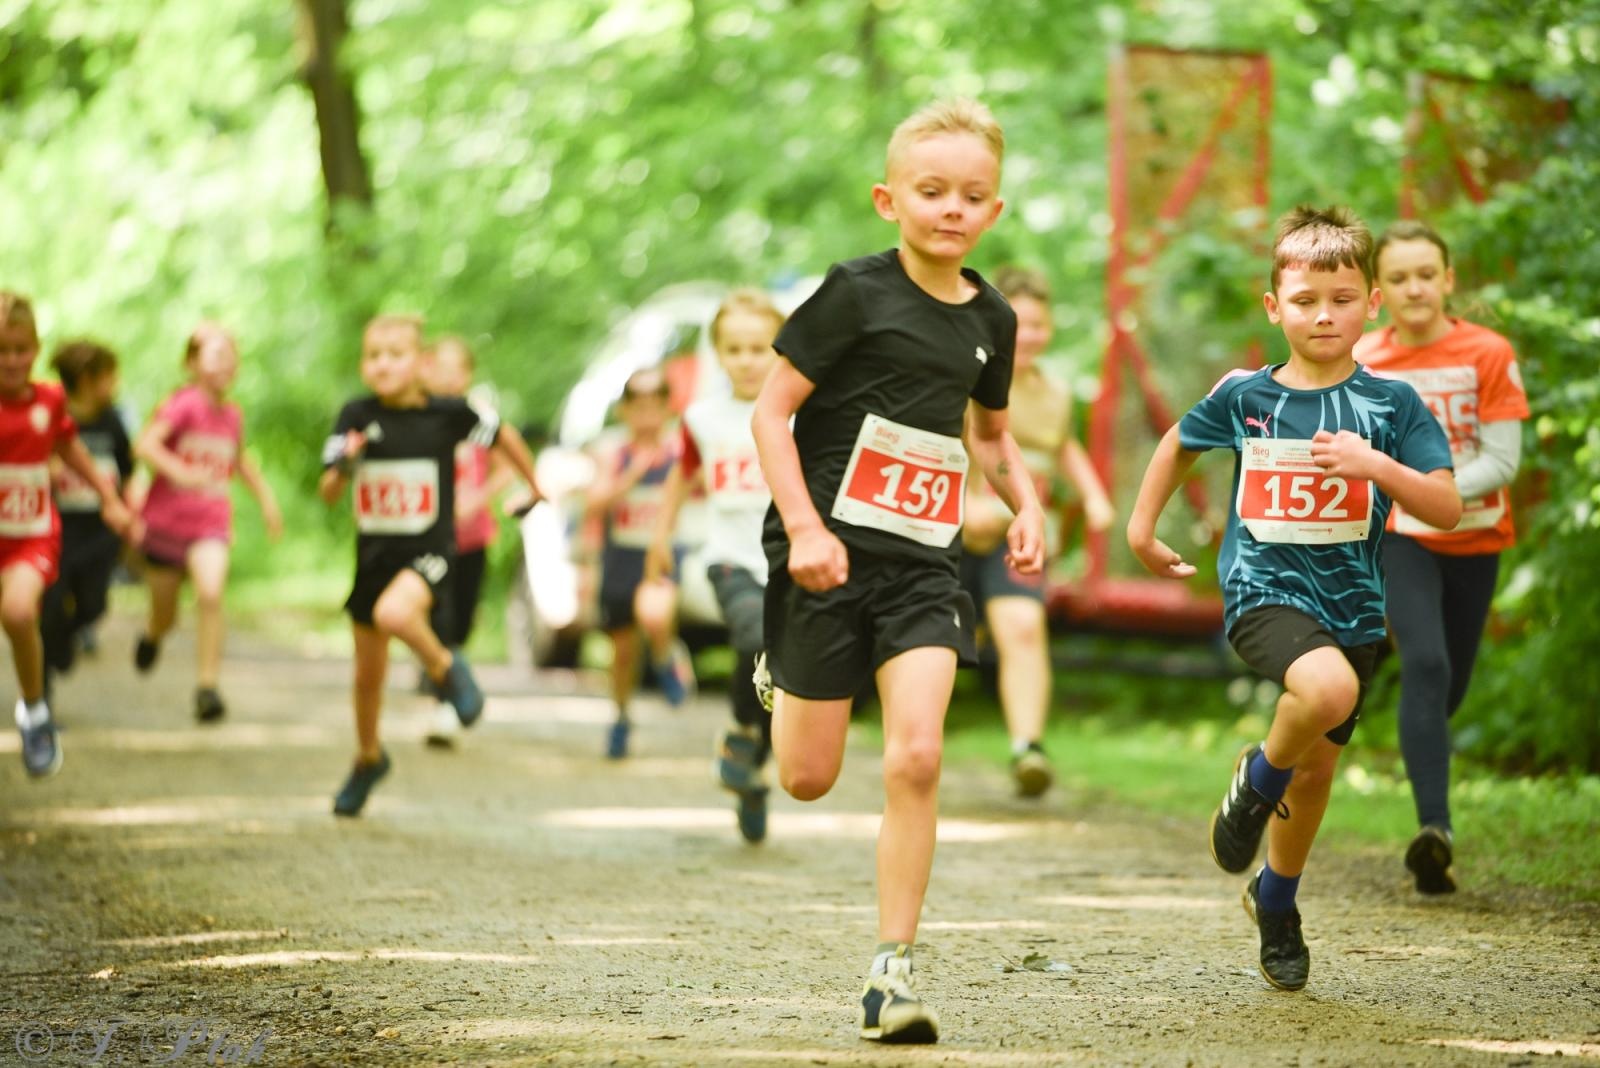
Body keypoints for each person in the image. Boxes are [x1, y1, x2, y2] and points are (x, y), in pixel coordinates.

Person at [751, 98, 1043, 1044]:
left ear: (993, 211)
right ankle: (779, 667)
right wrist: (804, 529)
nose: (951, 209)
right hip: (824, 557)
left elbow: (990, 437)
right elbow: (770, 413)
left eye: (972, 195)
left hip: (923, 566)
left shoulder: (992, 316)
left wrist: (1028, 505)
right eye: (931, 191)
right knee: (805, 777)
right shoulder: (853, 293)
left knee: (917, 757)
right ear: (890, 200)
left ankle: (891, 972)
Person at [1126, 205, 1461, 992]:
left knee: (1317, 773)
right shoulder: (1247, 396)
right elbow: (1178, 441)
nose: (1323, 314)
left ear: (1371, 302)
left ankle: (1276, 901)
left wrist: (1374, 466)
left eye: (1342, 298)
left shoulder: (1393, 407)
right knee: (1325, 690)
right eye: (1305, 299)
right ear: (1274, 306)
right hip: (1263, 591)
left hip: (1353, 606)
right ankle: (1256, 778)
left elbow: (1444, 507)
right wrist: (1143, 529)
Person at [1355, 221, 1529, 895]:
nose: (1415, 288)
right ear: (1378, 292)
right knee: (1424, 661)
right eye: (1398, 278)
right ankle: (1435, 833)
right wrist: (1408, 497)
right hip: (1400, 536)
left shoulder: (1487, 353)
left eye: (1427, 274)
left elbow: (1503, 460)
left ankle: (1424, 767)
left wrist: (1438, 490)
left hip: (1476, 538)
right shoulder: (1366, 360)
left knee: (1446, 686)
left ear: (1448, 280)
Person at [320, 314, 540, 816]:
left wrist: (534, 483)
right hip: (374, 557)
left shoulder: (448, 414)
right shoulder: (355, 414)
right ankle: (368, 758)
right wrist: (346, 464)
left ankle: (446, 670)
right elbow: (329, 491)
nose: (382, 365)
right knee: (366, 677)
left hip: (430, 551)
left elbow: (503, 435)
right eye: (373, 356)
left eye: (395, 354)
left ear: (420, 364)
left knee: (396, 615)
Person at [961, 266, 1114, 797]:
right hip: (951, 531)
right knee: (931, 640)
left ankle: (1028, 747)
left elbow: (1064, 446)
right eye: (1017, 324)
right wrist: (963, 506)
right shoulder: (965, 377)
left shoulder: (1054, 392)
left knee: (1024, 629)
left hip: (1017, 534)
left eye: (1038, 325)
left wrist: (1094, 497)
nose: (1028, 336)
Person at [645, 288, 785, 843]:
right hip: (731, 559)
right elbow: (683, 472)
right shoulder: (702, 417)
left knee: (788, 676)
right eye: (735, 349)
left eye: (760, 348)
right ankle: (738, 735)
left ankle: (752, 767)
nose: (748, 360)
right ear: (719, 354)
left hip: (791, 564)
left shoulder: (800, 411)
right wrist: (661, 535)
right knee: (756, 637)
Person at [0, 292, 132, 776]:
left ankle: (35, 712)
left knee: (18, 612)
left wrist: (109, 497)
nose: (12, 361)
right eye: (1, 351)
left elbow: (72, 448)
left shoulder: (49, 401)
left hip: (30, 535)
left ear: (35, 349)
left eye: (20, 349)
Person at [132, 323, 283, 723]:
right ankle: (153, 634)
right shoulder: (182, 405)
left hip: (211, 523)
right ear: (192, 363)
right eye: (215, 356)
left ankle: (207, 687)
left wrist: (267, 499)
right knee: (166, 615)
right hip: (166, 526)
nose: (225, 364)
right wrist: (178, 470)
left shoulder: (232, 415)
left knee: (211, 593)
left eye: (230, 357)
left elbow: (240, 460)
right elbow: (145, 444)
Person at [583, 366, 694, 760]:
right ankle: (621, 715)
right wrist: (630, 474)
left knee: (656, 613)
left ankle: (665, 657)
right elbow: (592, 505)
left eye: (655, 404)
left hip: (659, 553)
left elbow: (702, 489)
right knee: (624, 649)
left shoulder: (681, 447)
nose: (647, 413)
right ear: (625, 410)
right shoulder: (610, 449)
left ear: (667, 408)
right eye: (638, 404)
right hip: (620, 556)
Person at [418, 335, 515, 748]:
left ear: (468, 374)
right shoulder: (418, 417)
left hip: (474, 537)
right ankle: (445, 703)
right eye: (439, 366)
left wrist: (480, 496)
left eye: (456, 368)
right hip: (429, 539)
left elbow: (505, 467)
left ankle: (443, 674)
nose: (447, 376)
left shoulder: (480, 418)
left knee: (461, 619)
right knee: (438, 618)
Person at [41, 340, 134, 688]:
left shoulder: (112, 423)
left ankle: (64, 639)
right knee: (49, 611)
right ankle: (42, 697)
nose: (115, 385)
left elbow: (127, 470)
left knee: (94, 604)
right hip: (57, 531)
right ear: (85, 380)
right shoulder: (54, 418)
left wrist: (126, 512)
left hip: (99, 533)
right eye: (109, 377)